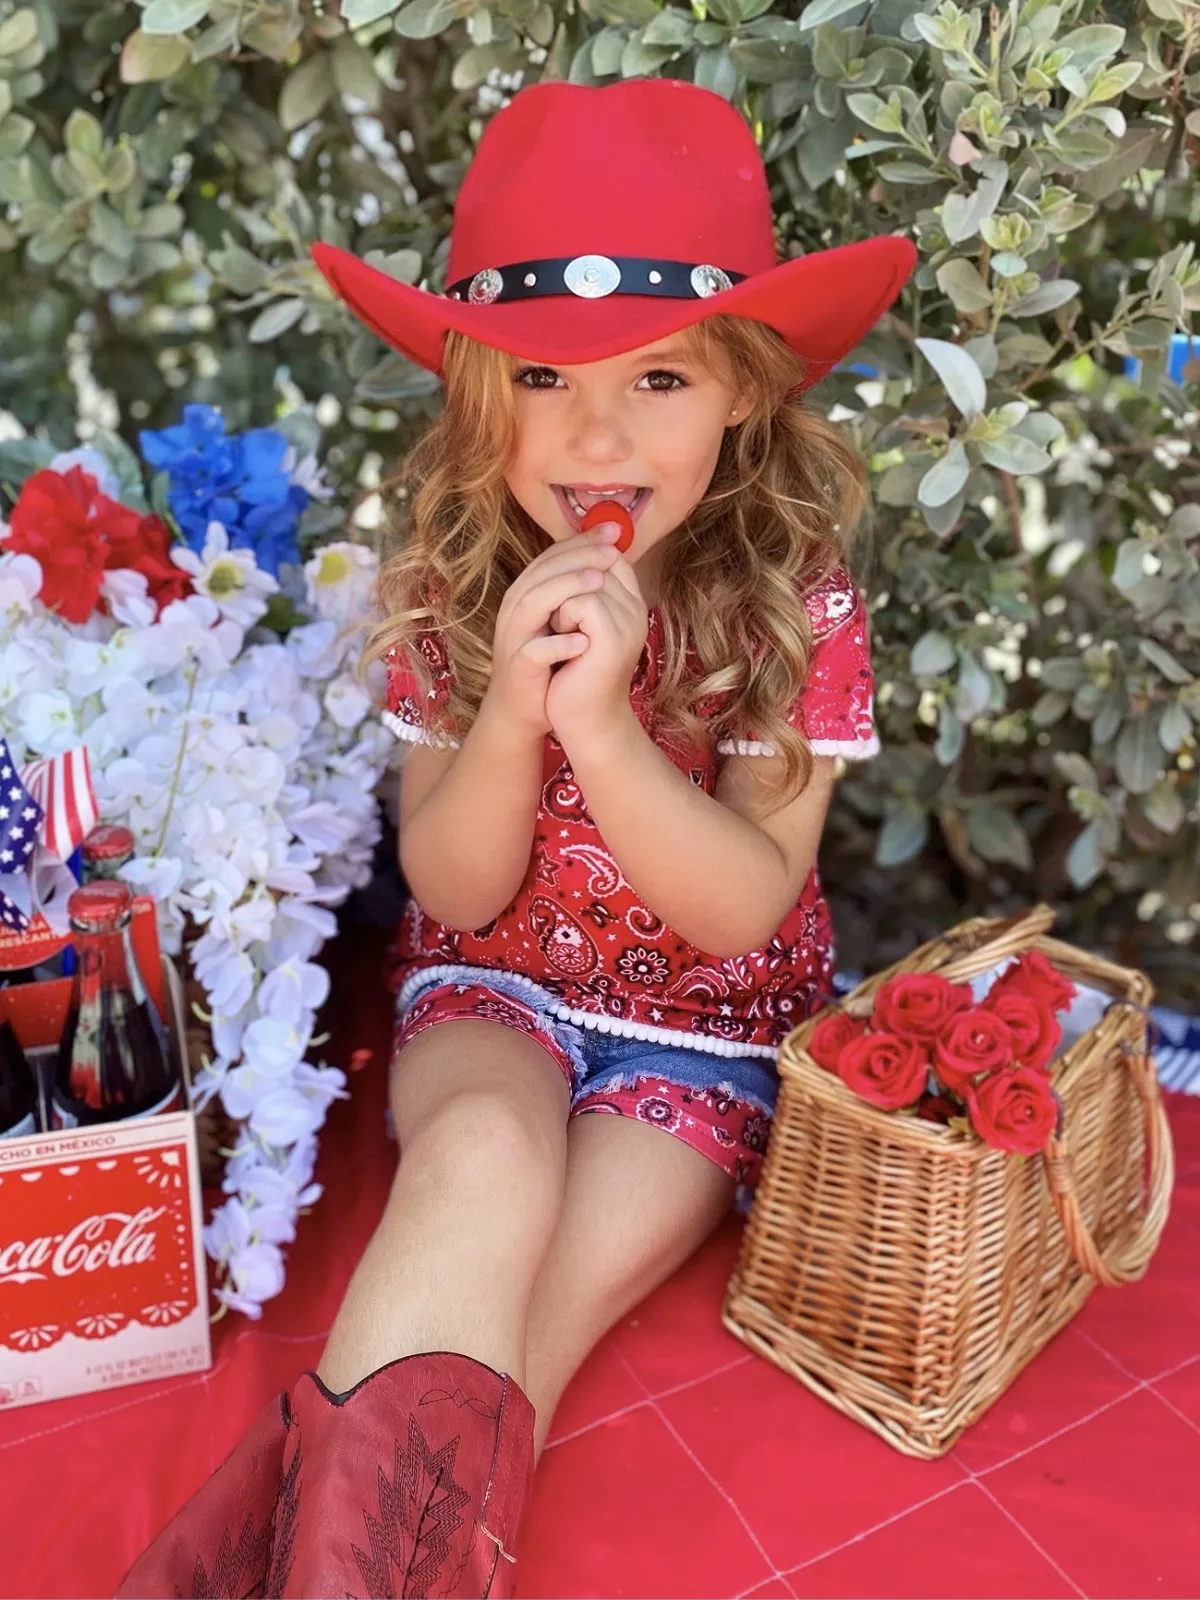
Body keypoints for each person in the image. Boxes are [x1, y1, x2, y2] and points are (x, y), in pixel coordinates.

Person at [118, 75, 914, 1600]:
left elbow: (745, 909)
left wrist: (607, 727)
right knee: (480, 1155)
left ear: (744, 389)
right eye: (544, 383)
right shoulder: (450, 579)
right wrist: (514, 710)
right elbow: (459, 883)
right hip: (493, 984)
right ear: (477, 390)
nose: (595, 431)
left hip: (704, 1039)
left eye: (659, 382)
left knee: (520, 1336)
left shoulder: (788, 601)